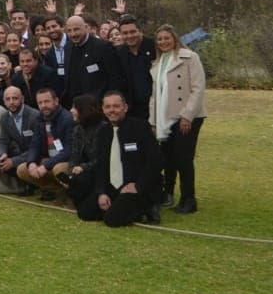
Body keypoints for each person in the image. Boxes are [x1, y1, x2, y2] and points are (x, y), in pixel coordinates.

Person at [78, 88, 162, 227]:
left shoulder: (140, 127)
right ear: (103, 109)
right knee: (85, 212)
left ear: (125, 107)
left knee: (112, 220)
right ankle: (120, 207)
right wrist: (101, 192)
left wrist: (138, 185)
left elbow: (156, 161)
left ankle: (148, 208)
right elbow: (101, 166)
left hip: (137, 187)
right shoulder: (103, 132)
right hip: (114, 187)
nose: (112, 110)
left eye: (116, 106)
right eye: (108, 107)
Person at [150, 23, 206, 214]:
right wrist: (153, 121)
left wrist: (187, 116)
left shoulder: (189, 57)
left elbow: (198, 88)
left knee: (184, 158)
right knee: (168, 159)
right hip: (164, 117)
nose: (163, 42)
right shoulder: (157, 63)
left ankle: (189, 199)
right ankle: (168, 193)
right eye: (160, 39)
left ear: (174, 38)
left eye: (167, 38)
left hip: (186, 117)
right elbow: (154, 95)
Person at [15, 85, 74, 198]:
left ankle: (69, 193)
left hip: (66, 160)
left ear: (56, 101)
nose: (43, 106)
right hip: (49, 159)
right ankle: (54, 190)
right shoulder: (39, 118)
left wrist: (46, 166)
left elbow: (68, 151)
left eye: (46, 101)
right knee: (22, 169)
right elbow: (34, 144)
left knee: (59, 169)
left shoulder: (67, 119)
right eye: (40, 103)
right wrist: (31, 162)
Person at [0, 85, 44, 194]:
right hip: (21, 152)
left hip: (37, 154)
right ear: (4, 101)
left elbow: (38, 147)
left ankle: (39, 185)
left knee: (14, 162)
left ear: (22, 99)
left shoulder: (34, 116)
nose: (11, 102)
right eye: (8, 99)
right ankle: (24, 184)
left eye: (15, 98)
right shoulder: (5, 117)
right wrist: (2, 154)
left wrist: (13, 161)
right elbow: (3, 140)